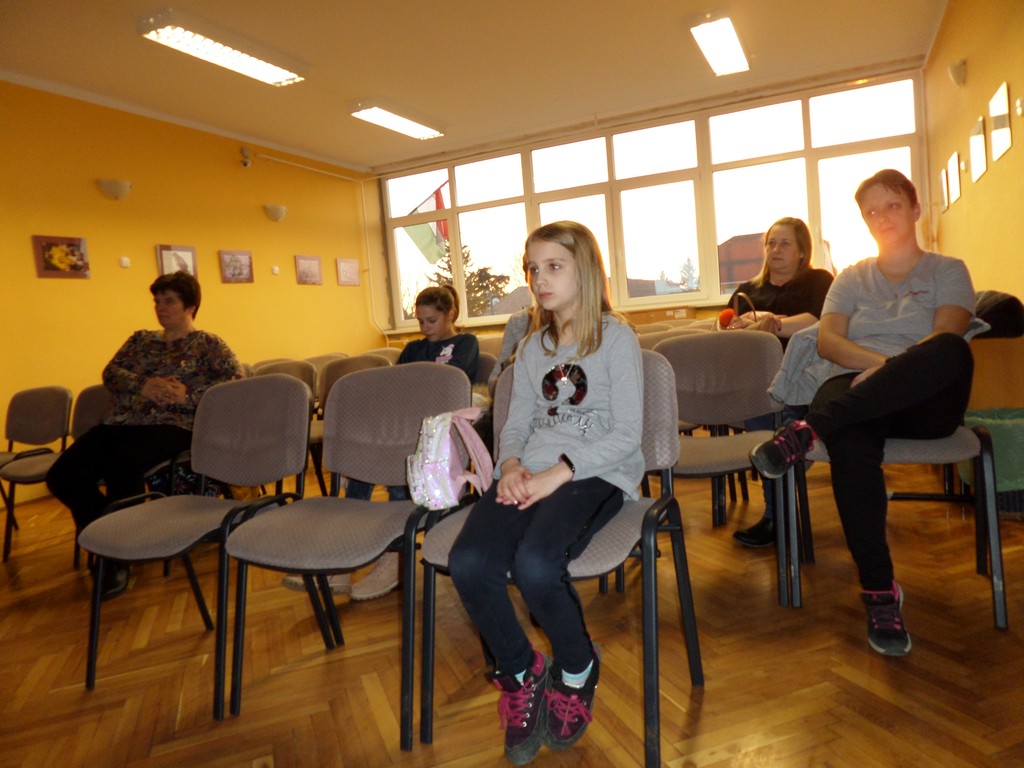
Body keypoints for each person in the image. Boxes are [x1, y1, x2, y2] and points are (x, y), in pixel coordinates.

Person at [749, 169, 986, 657]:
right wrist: (878, 370)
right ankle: (880, 591)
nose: (881, 217)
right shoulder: (852, 278)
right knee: (850, 440)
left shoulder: (948, 270)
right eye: (871, 211)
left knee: (952, 350)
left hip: (926, 398)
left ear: (916, 209)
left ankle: (808, 430)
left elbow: (945, 336)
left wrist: (889, 373)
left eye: (892, 206)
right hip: (854, 388)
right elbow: (829, 342)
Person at [448, 221, 644, 765]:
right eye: (533, 268)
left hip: (596, 472)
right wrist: (510, 465)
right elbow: (514, 425)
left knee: (536, 565)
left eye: (553, 266)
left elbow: (628, 434)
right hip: (530, 470)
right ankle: (521, 672)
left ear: (587, 271)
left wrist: (560, 472)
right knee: (470, 562)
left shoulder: (617, 338)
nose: (539, 279)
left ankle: (577, 667)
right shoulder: (533, 347)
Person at [47, 271, 242, 600]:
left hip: (175, 425)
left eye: (169, 301)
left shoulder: (208, 344)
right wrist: (143, 385)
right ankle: (106, 531)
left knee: (124, 463)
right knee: (62, 474)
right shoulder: (140, 340)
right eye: (157, 301)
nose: (160, 308)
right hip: (122, 422)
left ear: (190, 306)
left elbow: (236, 382)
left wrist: (188, 395)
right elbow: (111, 373)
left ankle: (118, 557)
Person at [286, 284, 480, 601]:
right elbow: (393, 388)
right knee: (364, 463)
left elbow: (451, 383)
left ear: (451, 314)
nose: (424, 328)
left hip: (435, 430)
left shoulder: (465, 343)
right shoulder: (413, 348)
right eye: (420, 321)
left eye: (431, 320)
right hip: (404, 423)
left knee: (397, 455)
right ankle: (344, 558)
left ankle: (394, 558)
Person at [728, 217, 834, 547]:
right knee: (768, 431)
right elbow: (729, 328)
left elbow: (817, 322)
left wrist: (767, 322)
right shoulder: (748, 290)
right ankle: (779, 515)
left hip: (805, 377)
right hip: (756, 381)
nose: (775, 249)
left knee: (782, 429)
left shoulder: (818, 281)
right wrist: (741, 325)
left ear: (802, 250)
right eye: (771, 243)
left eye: (785, 243)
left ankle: (778, 516)